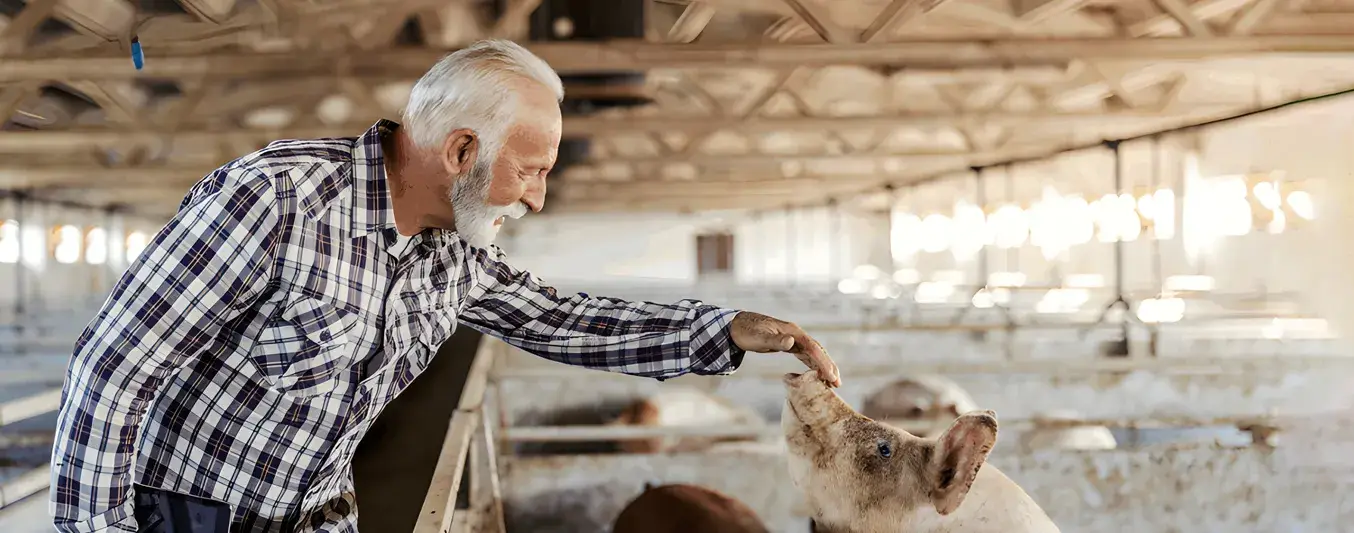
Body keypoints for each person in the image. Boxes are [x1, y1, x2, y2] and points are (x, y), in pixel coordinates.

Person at [49, 39, 841, 533]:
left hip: (317, 513)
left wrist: (723, 331)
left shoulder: (453, 255)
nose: (535, 198)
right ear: (462, 151)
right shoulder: (275, 198)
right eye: (529, 171)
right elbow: (115, 368)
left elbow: (562, 320)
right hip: (189, 517)